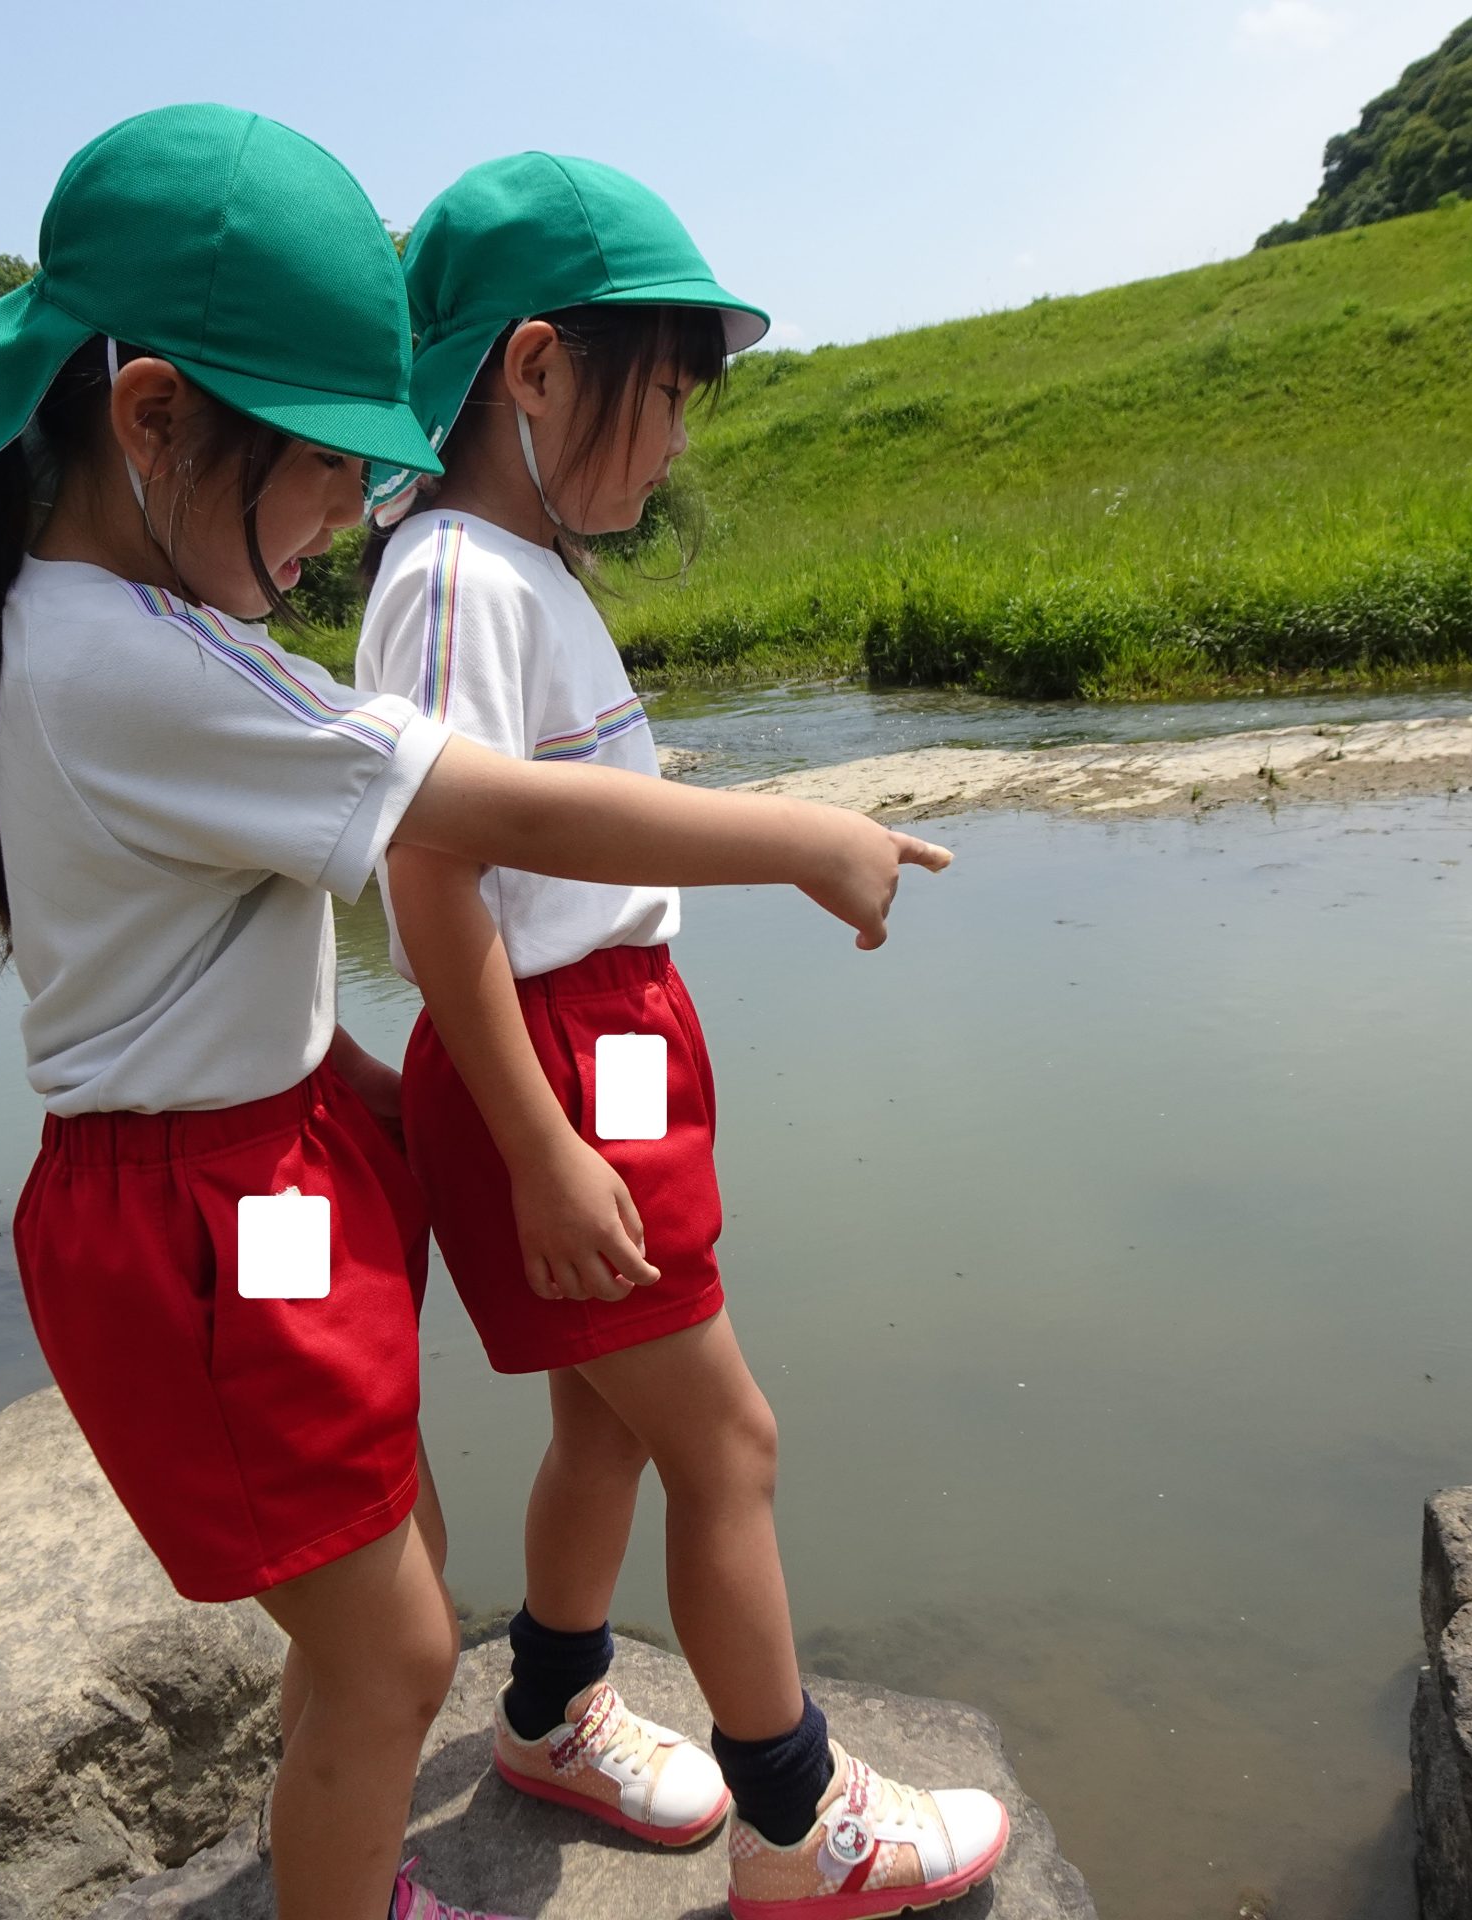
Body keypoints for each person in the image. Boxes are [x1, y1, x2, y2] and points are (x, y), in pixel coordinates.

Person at [0, 107, 947, 1920]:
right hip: (220, 1212)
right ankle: (460, 1870)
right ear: (150, 417)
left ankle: (381, 1854)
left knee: (393, 1573)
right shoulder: (131, 655)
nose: (332, 523)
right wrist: (797, 839)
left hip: (277, 1165)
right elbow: (484, 822)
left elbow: (198, 979)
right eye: (315, 468)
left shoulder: (101, 627)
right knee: (390, 1643)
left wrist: (359, 1090)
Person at [356, 152, 1008, 1920]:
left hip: (607, 1042)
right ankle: (801, 1828)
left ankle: (555, 1707)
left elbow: (573, 819)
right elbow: (435, 891)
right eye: (664, 398)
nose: (674, 444)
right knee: (731, 1443)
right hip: (552, 1067)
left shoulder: (513, 570)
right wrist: (547, 1146)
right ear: (539, 369)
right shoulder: (451, 582)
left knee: (614, 1426)